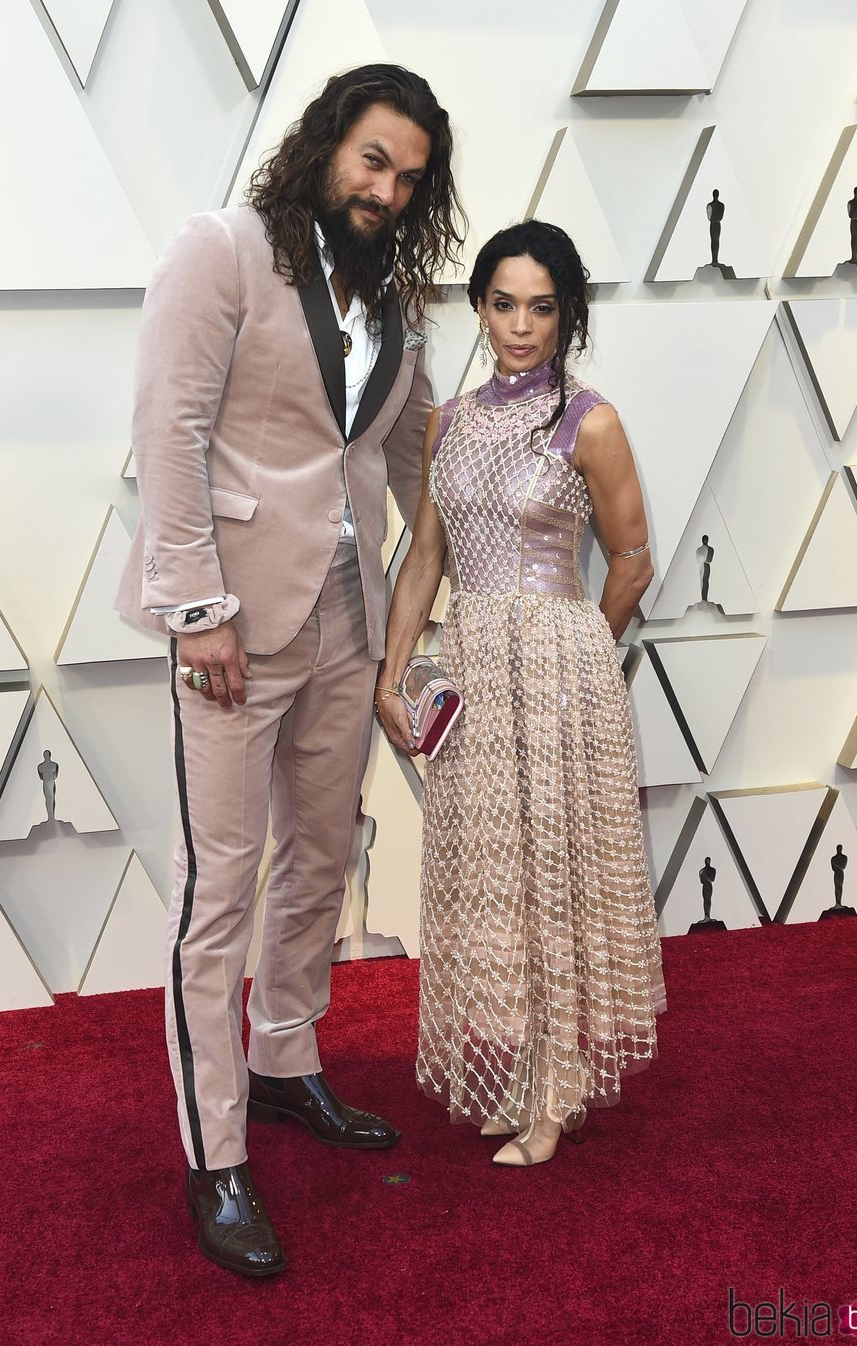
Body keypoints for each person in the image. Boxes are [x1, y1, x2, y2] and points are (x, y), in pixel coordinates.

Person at [116, 64, 463, 1276]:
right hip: (229, 626)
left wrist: (470, 587)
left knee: (323, 855)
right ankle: (215, 1152)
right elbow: (167, 424)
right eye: (372, 159)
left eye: (409, 176)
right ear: (325, 145)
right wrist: (194, 605)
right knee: (219, 888)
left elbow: (407, 461)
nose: (385, 188)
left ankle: (282, 1061)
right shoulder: (223, 249)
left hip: (345, 618)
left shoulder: (400, 302)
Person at [377, 219, 666, 1168]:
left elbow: (631, 559)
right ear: (479, 308)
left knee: (555, 880)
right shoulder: (447, 422)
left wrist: (581, 652)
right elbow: (426, 556)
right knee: (494, 878)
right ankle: (522, 1076)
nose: (520, 325)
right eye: (503, 304)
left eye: (542, 307)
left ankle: (559, 1091)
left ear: (569, 314)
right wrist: (392, 673)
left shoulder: (592, 421)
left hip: (555, 679)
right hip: (472, 676)